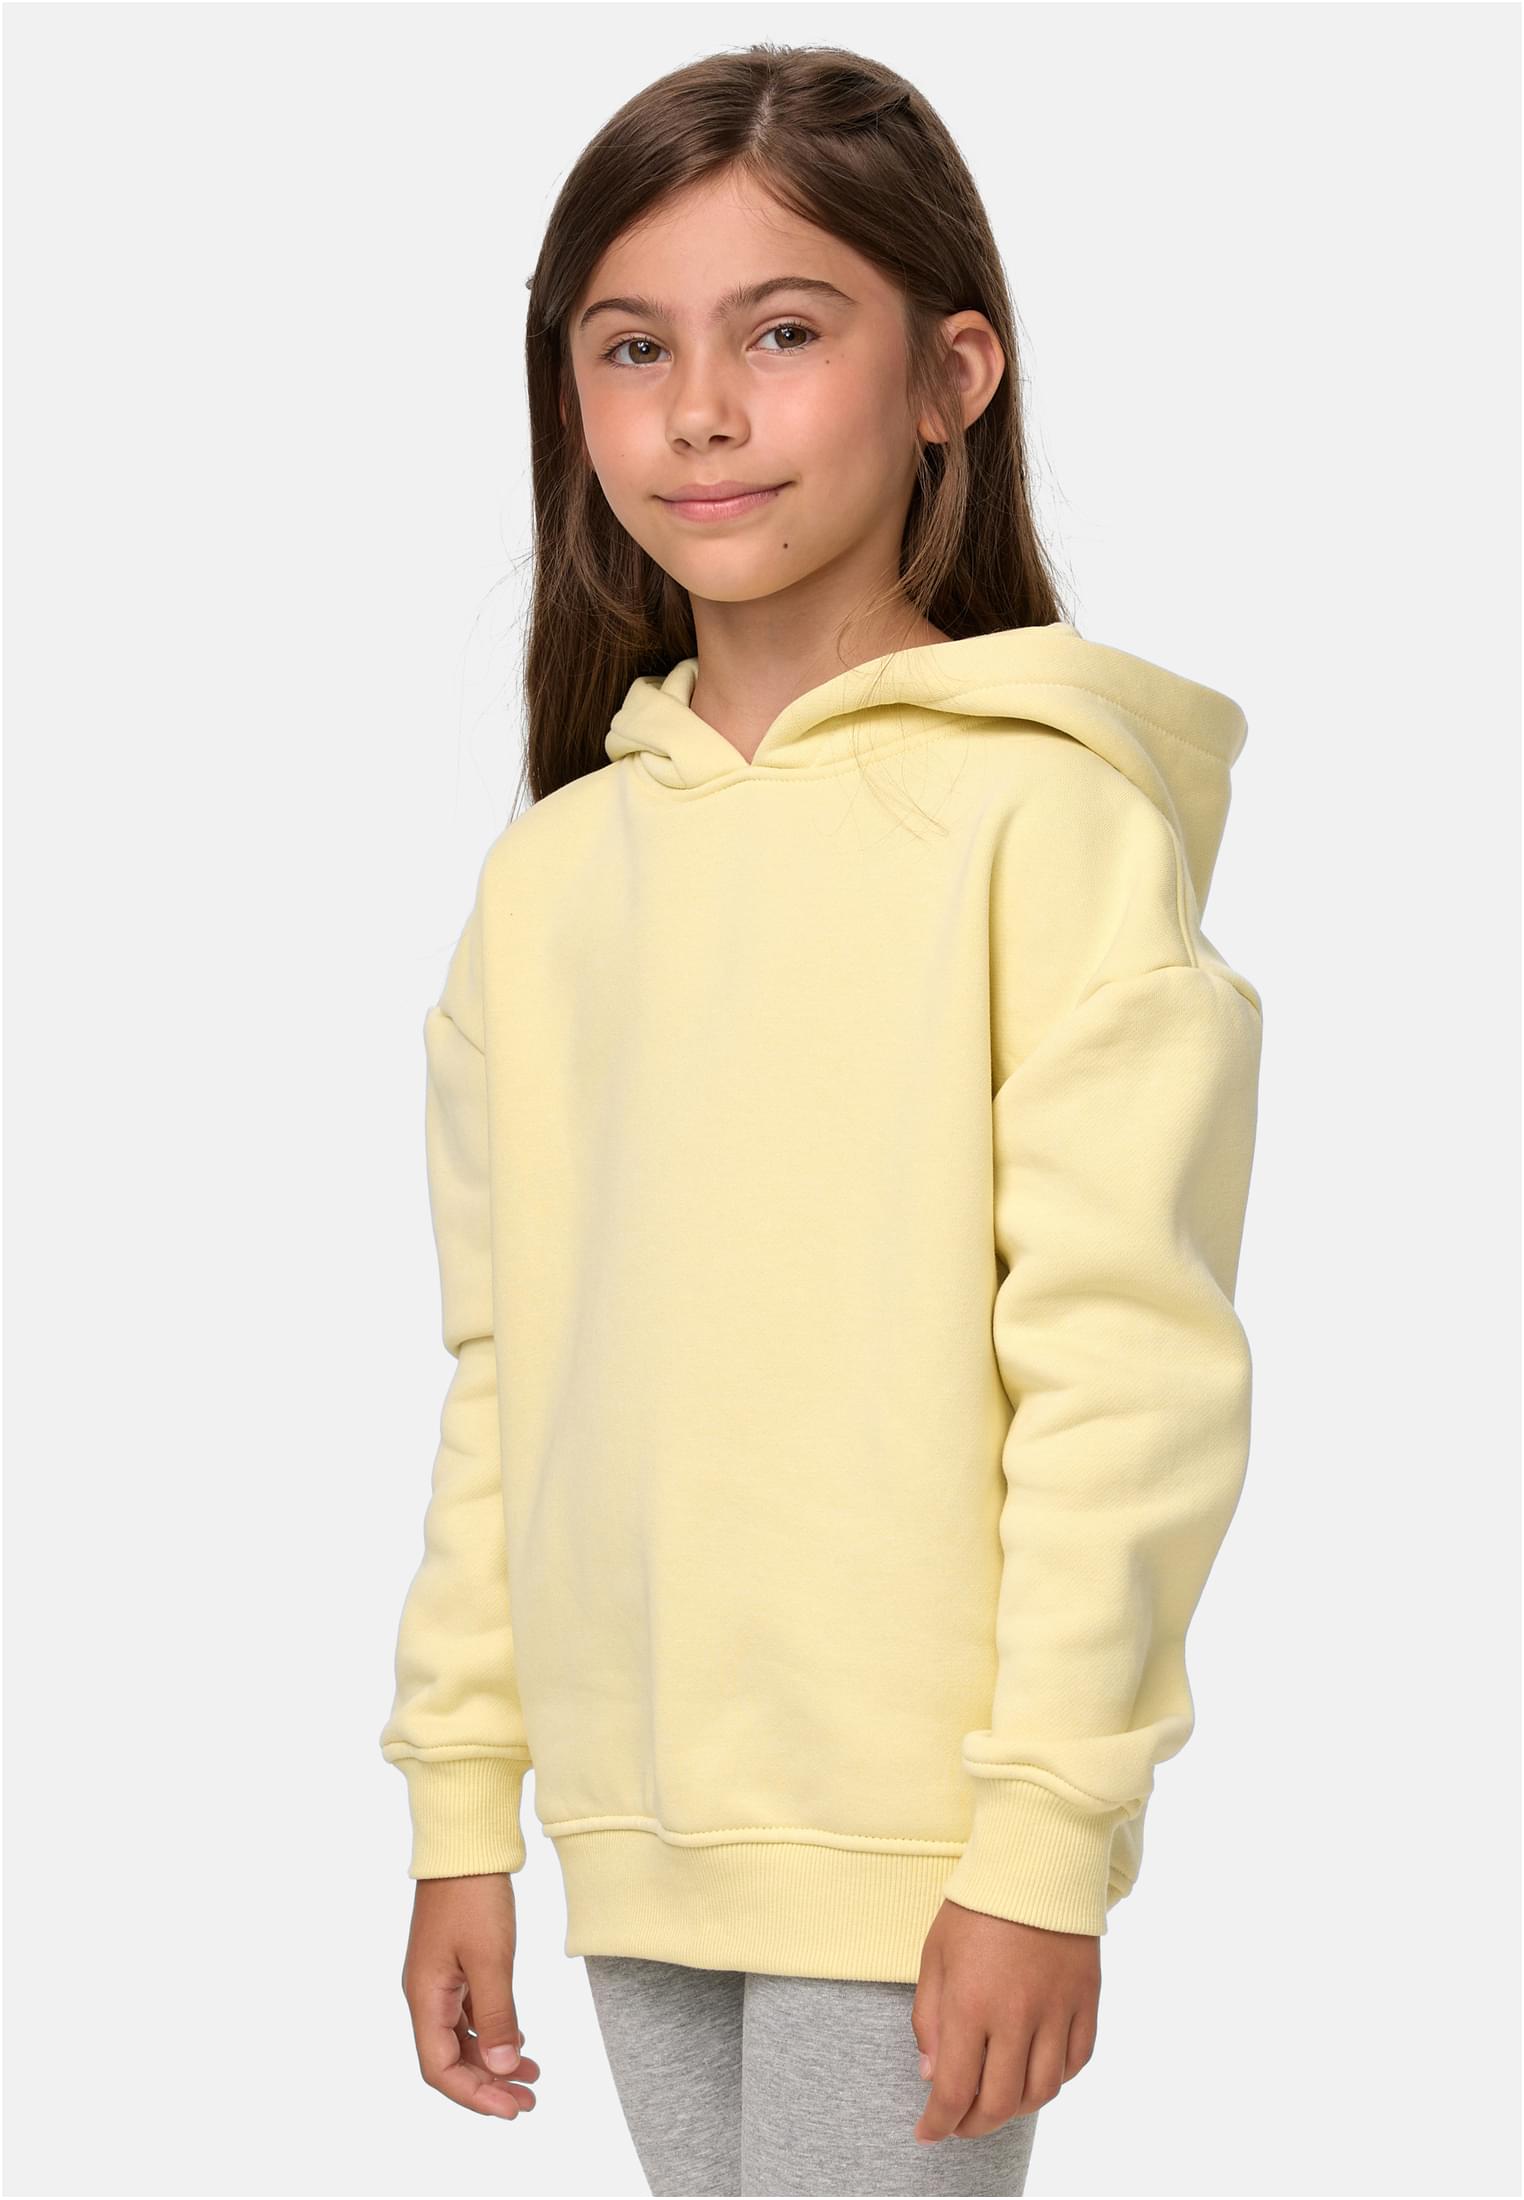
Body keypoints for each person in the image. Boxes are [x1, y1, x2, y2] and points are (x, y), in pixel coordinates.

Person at [379, 42, 1263, 2200]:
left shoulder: (1045, 826)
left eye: (783, 333)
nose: (699, 409)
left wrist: (1042, 1836)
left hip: (924, 1835)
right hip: (635, 1822)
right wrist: (461, 1810)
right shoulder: (550, 885)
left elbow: (1127, 1372)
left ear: (953, 373)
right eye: (631, 346)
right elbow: (507, 1377)